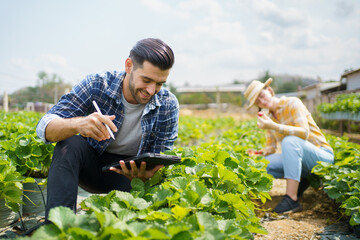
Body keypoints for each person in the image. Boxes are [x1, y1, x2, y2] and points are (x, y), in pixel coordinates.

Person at [36, 38, 179, 220]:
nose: (151, 90)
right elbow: (44, 127)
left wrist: (148, 174)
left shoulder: (168, 104)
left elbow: (162, 154)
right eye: (146, 80)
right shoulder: (97, 84)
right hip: (92, 167)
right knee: (70, 143)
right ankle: (59, 225)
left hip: (131, 178)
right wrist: (79, 124)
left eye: (159, 84)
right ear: (129, 66)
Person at [244, 78, 334, 214]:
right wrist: (258, 153)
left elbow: (304, 132)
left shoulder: (292, 103)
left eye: (261, 96)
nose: (262, 102)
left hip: (321, 156)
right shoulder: (269, 117)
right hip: (301, 162)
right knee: (263, 164)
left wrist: (274, 126)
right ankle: (304, 178)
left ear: (269, 90)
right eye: (258, 101)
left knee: (290, 141)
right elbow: (271, 147)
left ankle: (291, 199)